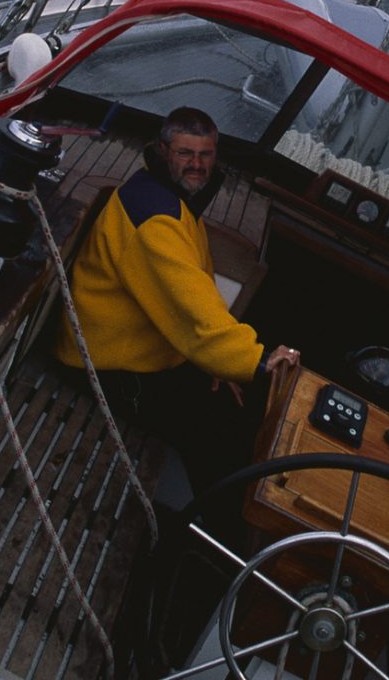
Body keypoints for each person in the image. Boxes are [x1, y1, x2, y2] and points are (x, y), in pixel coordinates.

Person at [54, 106, 299, 498]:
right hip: (103, 365)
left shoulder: (168, 196)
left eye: (205, 155)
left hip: (140, 351)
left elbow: (195, 290)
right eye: (186, 153)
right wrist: (255, 360)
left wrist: (222, 362)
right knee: (220, 434)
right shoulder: (157, 219)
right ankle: (209, 527)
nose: (197, 165)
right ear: (163, 150)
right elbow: (190, 309)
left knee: (230, 407)